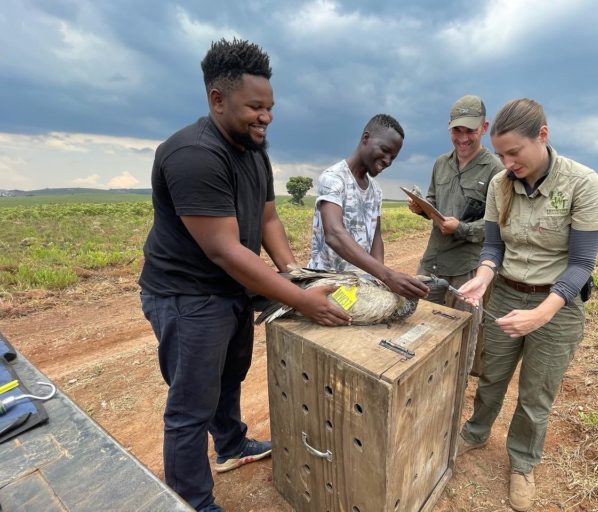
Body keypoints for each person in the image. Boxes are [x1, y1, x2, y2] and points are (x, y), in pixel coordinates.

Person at [138, 38, 351, 512]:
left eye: (270, 107)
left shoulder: (254, 149)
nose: (266, 117)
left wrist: (293, 273)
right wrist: (302, 301)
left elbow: (269, 219)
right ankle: (193, 501)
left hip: (233, 288)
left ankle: (231, 445)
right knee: (190, 406)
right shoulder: (192, 155)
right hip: (187, 295)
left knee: (230, 373)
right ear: (217, 99)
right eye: (255, 106)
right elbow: (226, 251)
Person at [455, 98, 598, 511]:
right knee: (491, 377)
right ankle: (474, 432)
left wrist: (542, 313)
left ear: (542, 135)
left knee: (536, 393)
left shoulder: (582, 184)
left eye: (514, 152)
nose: (507, 162)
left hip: (557, 304)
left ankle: (522, 462)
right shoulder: (499, 185)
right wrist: (484, 276)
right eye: (501, 154)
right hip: (505, 294)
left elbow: (581, 263)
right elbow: (492, 245)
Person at [407, 95, 505, 375]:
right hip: (432, 260)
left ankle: (455, 384)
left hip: (467, 268)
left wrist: (460, 228)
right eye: (457, 130)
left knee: (462, 333)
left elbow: (497, 228)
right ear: (449, 127)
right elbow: (432, 200)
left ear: (484, 128)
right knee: (419, 323)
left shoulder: (496, 171)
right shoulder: (441, 163)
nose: (462, 138)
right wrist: (420, 208)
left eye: (470, 131)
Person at [308, 114, 429, 299]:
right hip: (327, 285)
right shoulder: (334, 178)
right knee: (342, 322)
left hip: (358, 286)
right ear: (366, 138)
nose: (388, 161)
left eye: (393, 157)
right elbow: (334, 234)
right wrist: (386, 275)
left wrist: (377, 280)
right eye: (385, 150)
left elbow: (375, 237)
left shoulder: (375, 190)